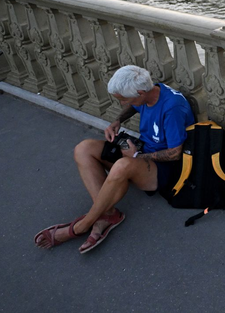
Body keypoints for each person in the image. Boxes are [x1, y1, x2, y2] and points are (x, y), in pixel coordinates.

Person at [34, 65, 195, 253]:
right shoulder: (150, 91)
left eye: (123, 99)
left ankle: (82, 226)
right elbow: (133, 106)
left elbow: (175, 153)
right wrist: (117, 121)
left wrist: (136, 156)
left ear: (141, 92)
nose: (122, 103)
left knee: (121, 166)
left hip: (166, 168)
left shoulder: (172, 108)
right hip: (141, 151)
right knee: (84, 148)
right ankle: (108, 214)